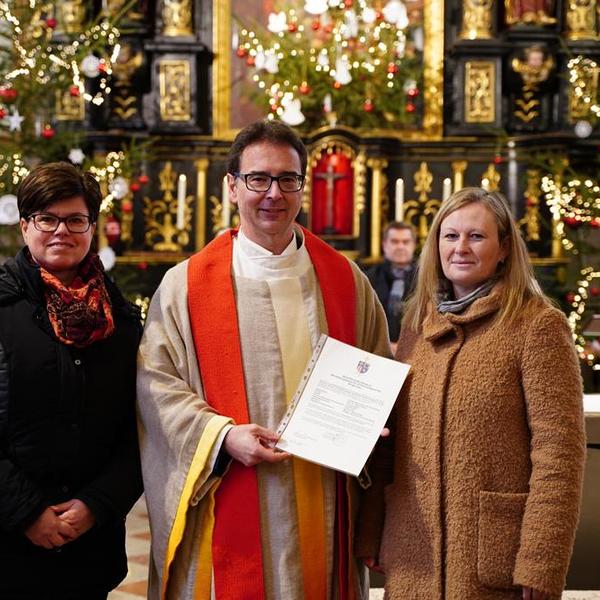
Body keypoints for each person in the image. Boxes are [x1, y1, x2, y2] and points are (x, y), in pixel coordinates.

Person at [137, 120, 390, 600]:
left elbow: (377, 370)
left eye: (288, 179)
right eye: (258, 179)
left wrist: (370, 416)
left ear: (302, 187)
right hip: (225, 492)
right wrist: (222, 436)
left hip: (323, 497)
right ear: (232, 187)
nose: (274, 193)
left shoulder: (346, 281)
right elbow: (156, 386)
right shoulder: (186, 285)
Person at [356, 187, 585, 600]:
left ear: (504, 248)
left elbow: (559, 454)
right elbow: (392, 439)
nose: (460, 247)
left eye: (476, 236)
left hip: (494, 558)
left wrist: (542, 560)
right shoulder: (417, 326)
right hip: (413, 557)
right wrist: (372, 529)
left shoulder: (537, 326)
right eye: (450, 235)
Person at [0, 162, 143, 599]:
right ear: (25, 226)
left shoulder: (121, 319)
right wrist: (27, 512)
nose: (61, 230)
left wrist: (97, 504)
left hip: (89, 547)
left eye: (75, 219)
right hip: (7, 543)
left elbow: (140, 430)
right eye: (47, 218)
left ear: (92, 227)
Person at [366, 221, 417, 345]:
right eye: (394, 241)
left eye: (405, 242)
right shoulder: (368, 279)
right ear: (384, 245)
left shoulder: (428, 278)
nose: (400, 246)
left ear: (414, 245)